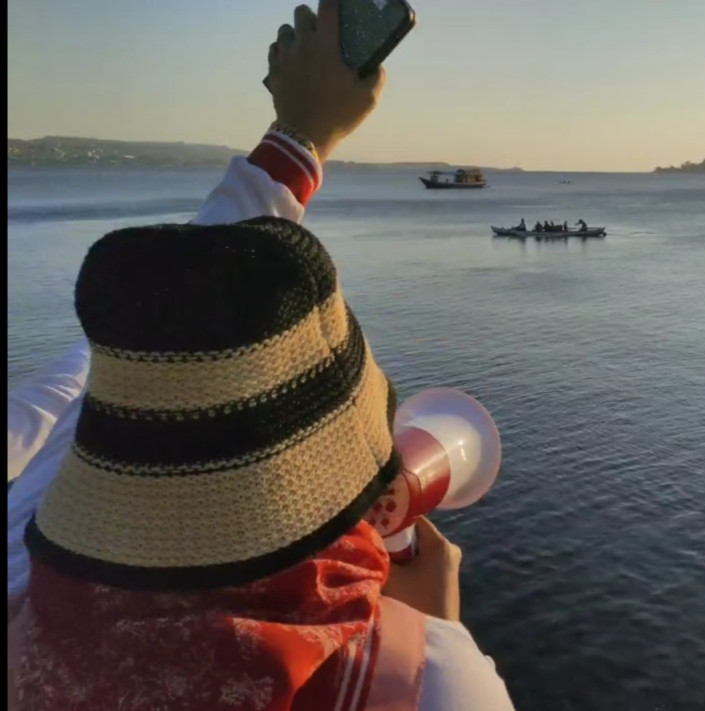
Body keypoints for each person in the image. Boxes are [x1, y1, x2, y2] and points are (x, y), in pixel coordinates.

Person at [6, 4, 515, 710]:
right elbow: (150, 336)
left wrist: (299, 137)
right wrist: (436, 627)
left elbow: (158, 332)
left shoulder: (27, 584)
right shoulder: (421, 679)